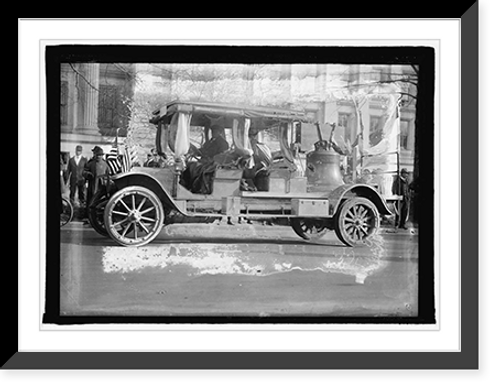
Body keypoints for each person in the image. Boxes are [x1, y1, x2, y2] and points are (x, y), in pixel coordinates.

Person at [184, 125, 230, 194]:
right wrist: (194, 151)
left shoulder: (223, 143)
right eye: (212, 131)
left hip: (212, 163)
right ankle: (188, 186)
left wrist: (209, 158)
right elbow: (202, 150)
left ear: (219, 132)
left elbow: (221, 155)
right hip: (204, 161)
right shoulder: (209, 142)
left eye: (215, 131)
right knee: (189, 165)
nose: (213, 133)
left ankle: (197, 186)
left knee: (195, 167)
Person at [82, 146, 110, 221]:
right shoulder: (91, 163)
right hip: (92, 185)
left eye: (100, 155)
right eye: (97, 155)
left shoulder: (105, 164)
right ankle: (89, 216)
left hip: (102, 186)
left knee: (100, 201)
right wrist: (88, 174)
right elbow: (84, 172)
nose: (98, 157)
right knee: (90, 201)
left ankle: (99, 217)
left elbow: (109, 174)